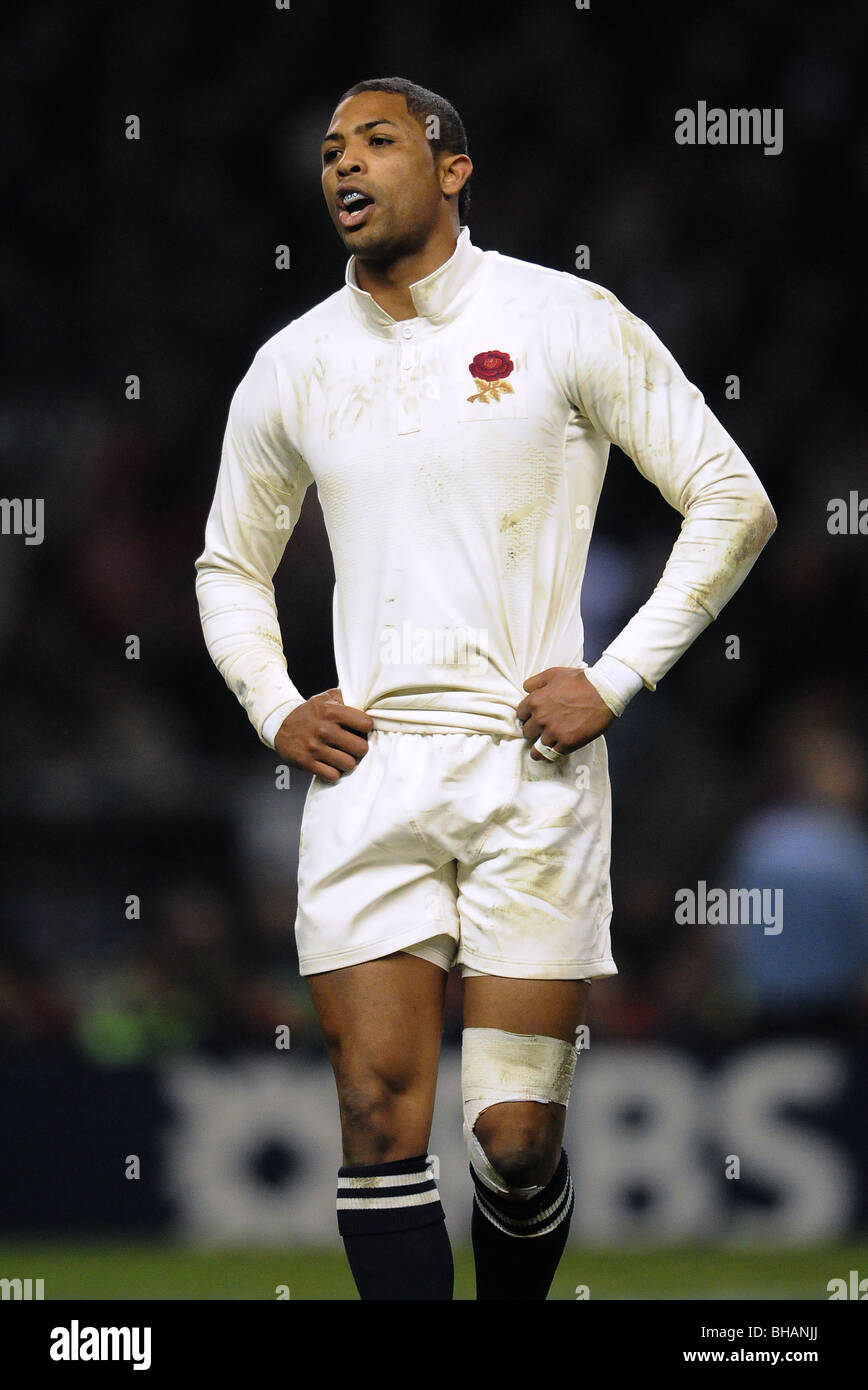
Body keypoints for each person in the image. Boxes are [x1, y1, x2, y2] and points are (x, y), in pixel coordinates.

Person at [195, 76, 776, 1300]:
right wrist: (274, 702)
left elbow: (733, 499)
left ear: (452, 168)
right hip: (369, 768)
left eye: (378, 140)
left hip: (531, 765)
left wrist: (614, 679)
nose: (344, 164)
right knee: (371, 1106)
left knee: (514, 1144)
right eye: (328, 149)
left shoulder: (565, 317)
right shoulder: (292, 362)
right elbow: (228, 567)